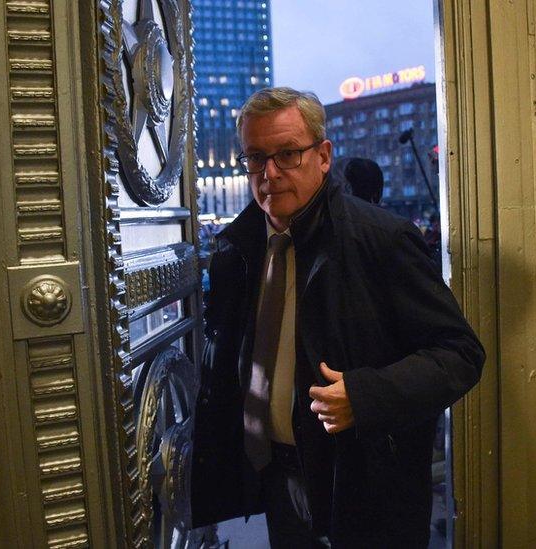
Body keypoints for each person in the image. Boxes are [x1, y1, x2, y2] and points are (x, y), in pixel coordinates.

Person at [190, 87, 484, 548]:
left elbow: (461, 354)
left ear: (323, 156)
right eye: (255, 157)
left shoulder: (380, 240)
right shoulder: (237, 249)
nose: (269, 173)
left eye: (287, 154)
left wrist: (365, 395)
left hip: (364, 484)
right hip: (278, 476)